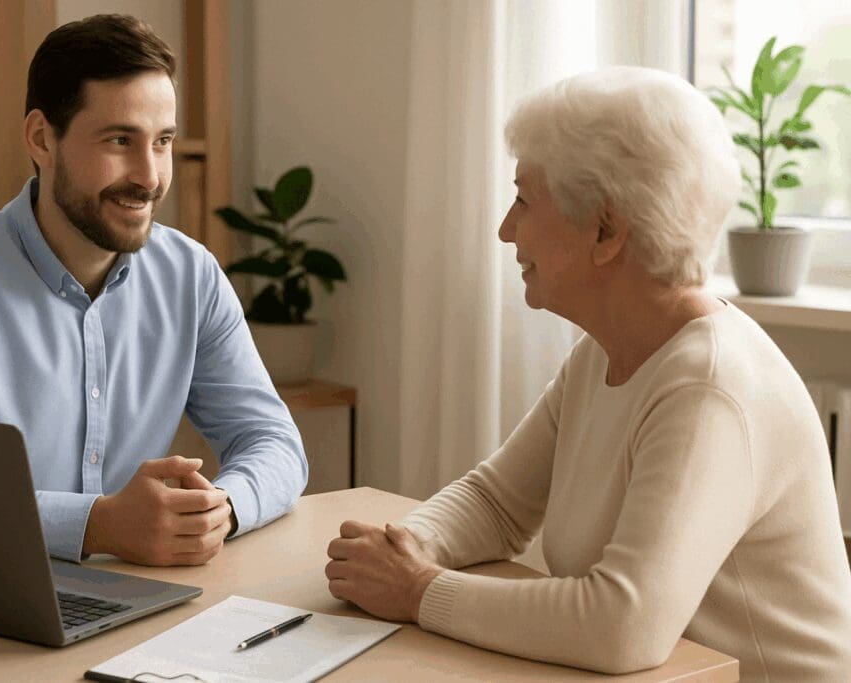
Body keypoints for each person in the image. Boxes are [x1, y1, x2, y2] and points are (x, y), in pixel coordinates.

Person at [325, 66, 851, 680]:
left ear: (606, 229)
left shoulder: (708, 386)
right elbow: (497, 504)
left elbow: (623, 625)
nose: (505, 229)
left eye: (524, 200)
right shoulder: (607, 350)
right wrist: (403, 549)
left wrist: (418, 590)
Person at [0, 14, 307, 567]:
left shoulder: (191, 276)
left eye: (162, 141)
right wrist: (96, 526)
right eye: (120, 140)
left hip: (140, 592)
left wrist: (221, 508)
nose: (149, 176)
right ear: (41, 139)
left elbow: (273, 441)